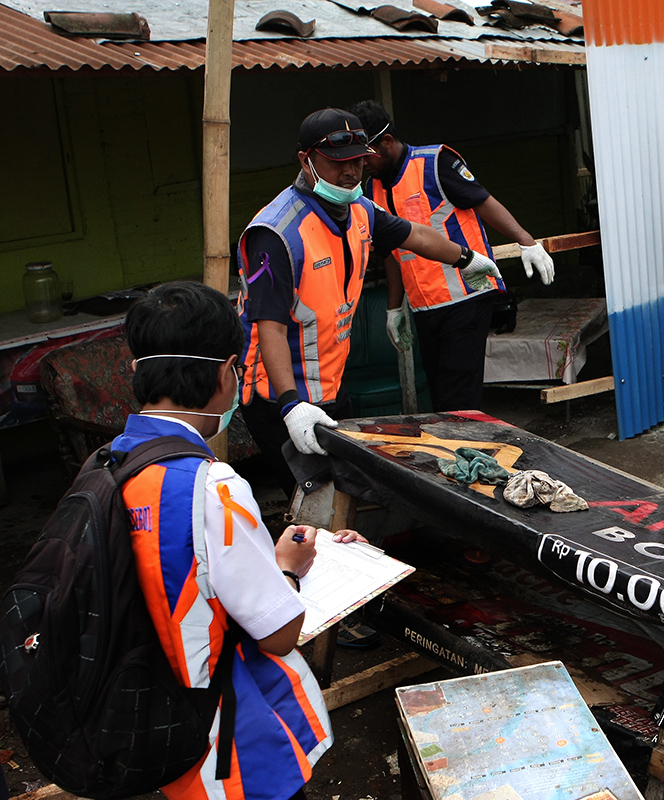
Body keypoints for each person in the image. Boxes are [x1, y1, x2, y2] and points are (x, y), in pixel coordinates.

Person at [119, 280, 369, 800]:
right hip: (223, 739)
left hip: (145, 709)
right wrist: (286, 570)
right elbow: (277, 634)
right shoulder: (212, 486)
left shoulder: (108, 466)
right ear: (225, 373)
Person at [236, 107, 501, 495]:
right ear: (305, 160)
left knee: (342, 496)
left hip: (330, 385)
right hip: (279, 396)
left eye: (359, 161)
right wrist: (291, 405)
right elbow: (269, 325)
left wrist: (466, 258)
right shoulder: (276, 233)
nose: (350, 172)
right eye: (337, 162)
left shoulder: (359, 210)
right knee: (315, 501)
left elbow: (415, 236)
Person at [348, 99, 556, 412]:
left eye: (368, 155)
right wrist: (394, 309)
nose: (363, 164)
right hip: (425, 308)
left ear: (387, 142)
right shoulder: (372, 188)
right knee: (441, 395)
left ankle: (468, 456)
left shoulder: (434, 162)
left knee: (458, 397)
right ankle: (460, 454)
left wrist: (525, 240)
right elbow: (391, 253)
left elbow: (482, 201)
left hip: (467, 296)